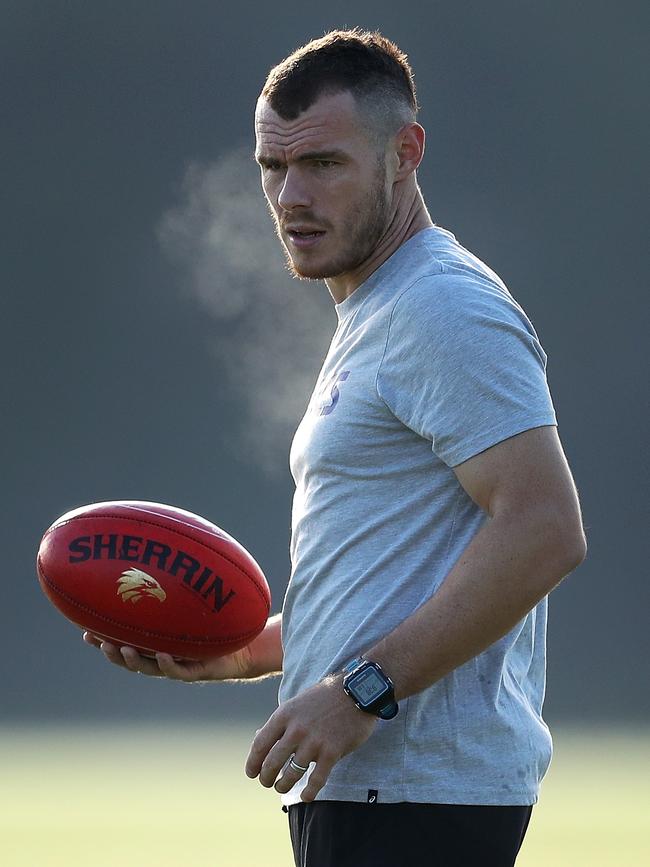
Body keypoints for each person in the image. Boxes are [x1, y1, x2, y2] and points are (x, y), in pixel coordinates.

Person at [84, 29, 587, 867]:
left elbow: (543, 528)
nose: (289, 197)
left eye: (322, 164)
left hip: (425, 797)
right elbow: (394, 576)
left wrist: (360, 691)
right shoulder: (378, 312)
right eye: (271, 168)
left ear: (406, 153)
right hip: (375, 790)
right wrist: (243, 652)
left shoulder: (444, 308)